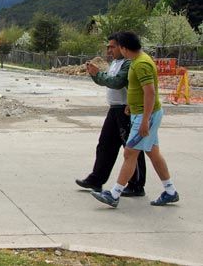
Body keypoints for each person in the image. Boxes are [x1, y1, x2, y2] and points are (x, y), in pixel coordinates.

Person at [91, 31, 179, 208]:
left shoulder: (141, 64)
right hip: (141, 112)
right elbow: (139, 90)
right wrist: (132, 104)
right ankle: (170, 191)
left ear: (124, 48)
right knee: (153, 153)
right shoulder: (137, 61)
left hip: (146, 116)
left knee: (129, 153)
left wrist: (145, 119)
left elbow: (150, 92)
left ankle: (114, 194)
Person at [75, 33, 146, 197]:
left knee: (132, 149)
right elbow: (106, 80)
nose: (109, 50)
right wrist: (95, 74)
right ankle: (96, 179)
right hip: (114, 109)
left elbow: (117, 82)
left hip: (126, 110)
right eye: (108, 47)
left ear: (123, 47)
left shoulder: (129, 63)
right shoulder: (115, 63)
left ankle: (136, 184)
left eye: (112, 46)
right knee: (105, 145)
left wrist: (98, 74)